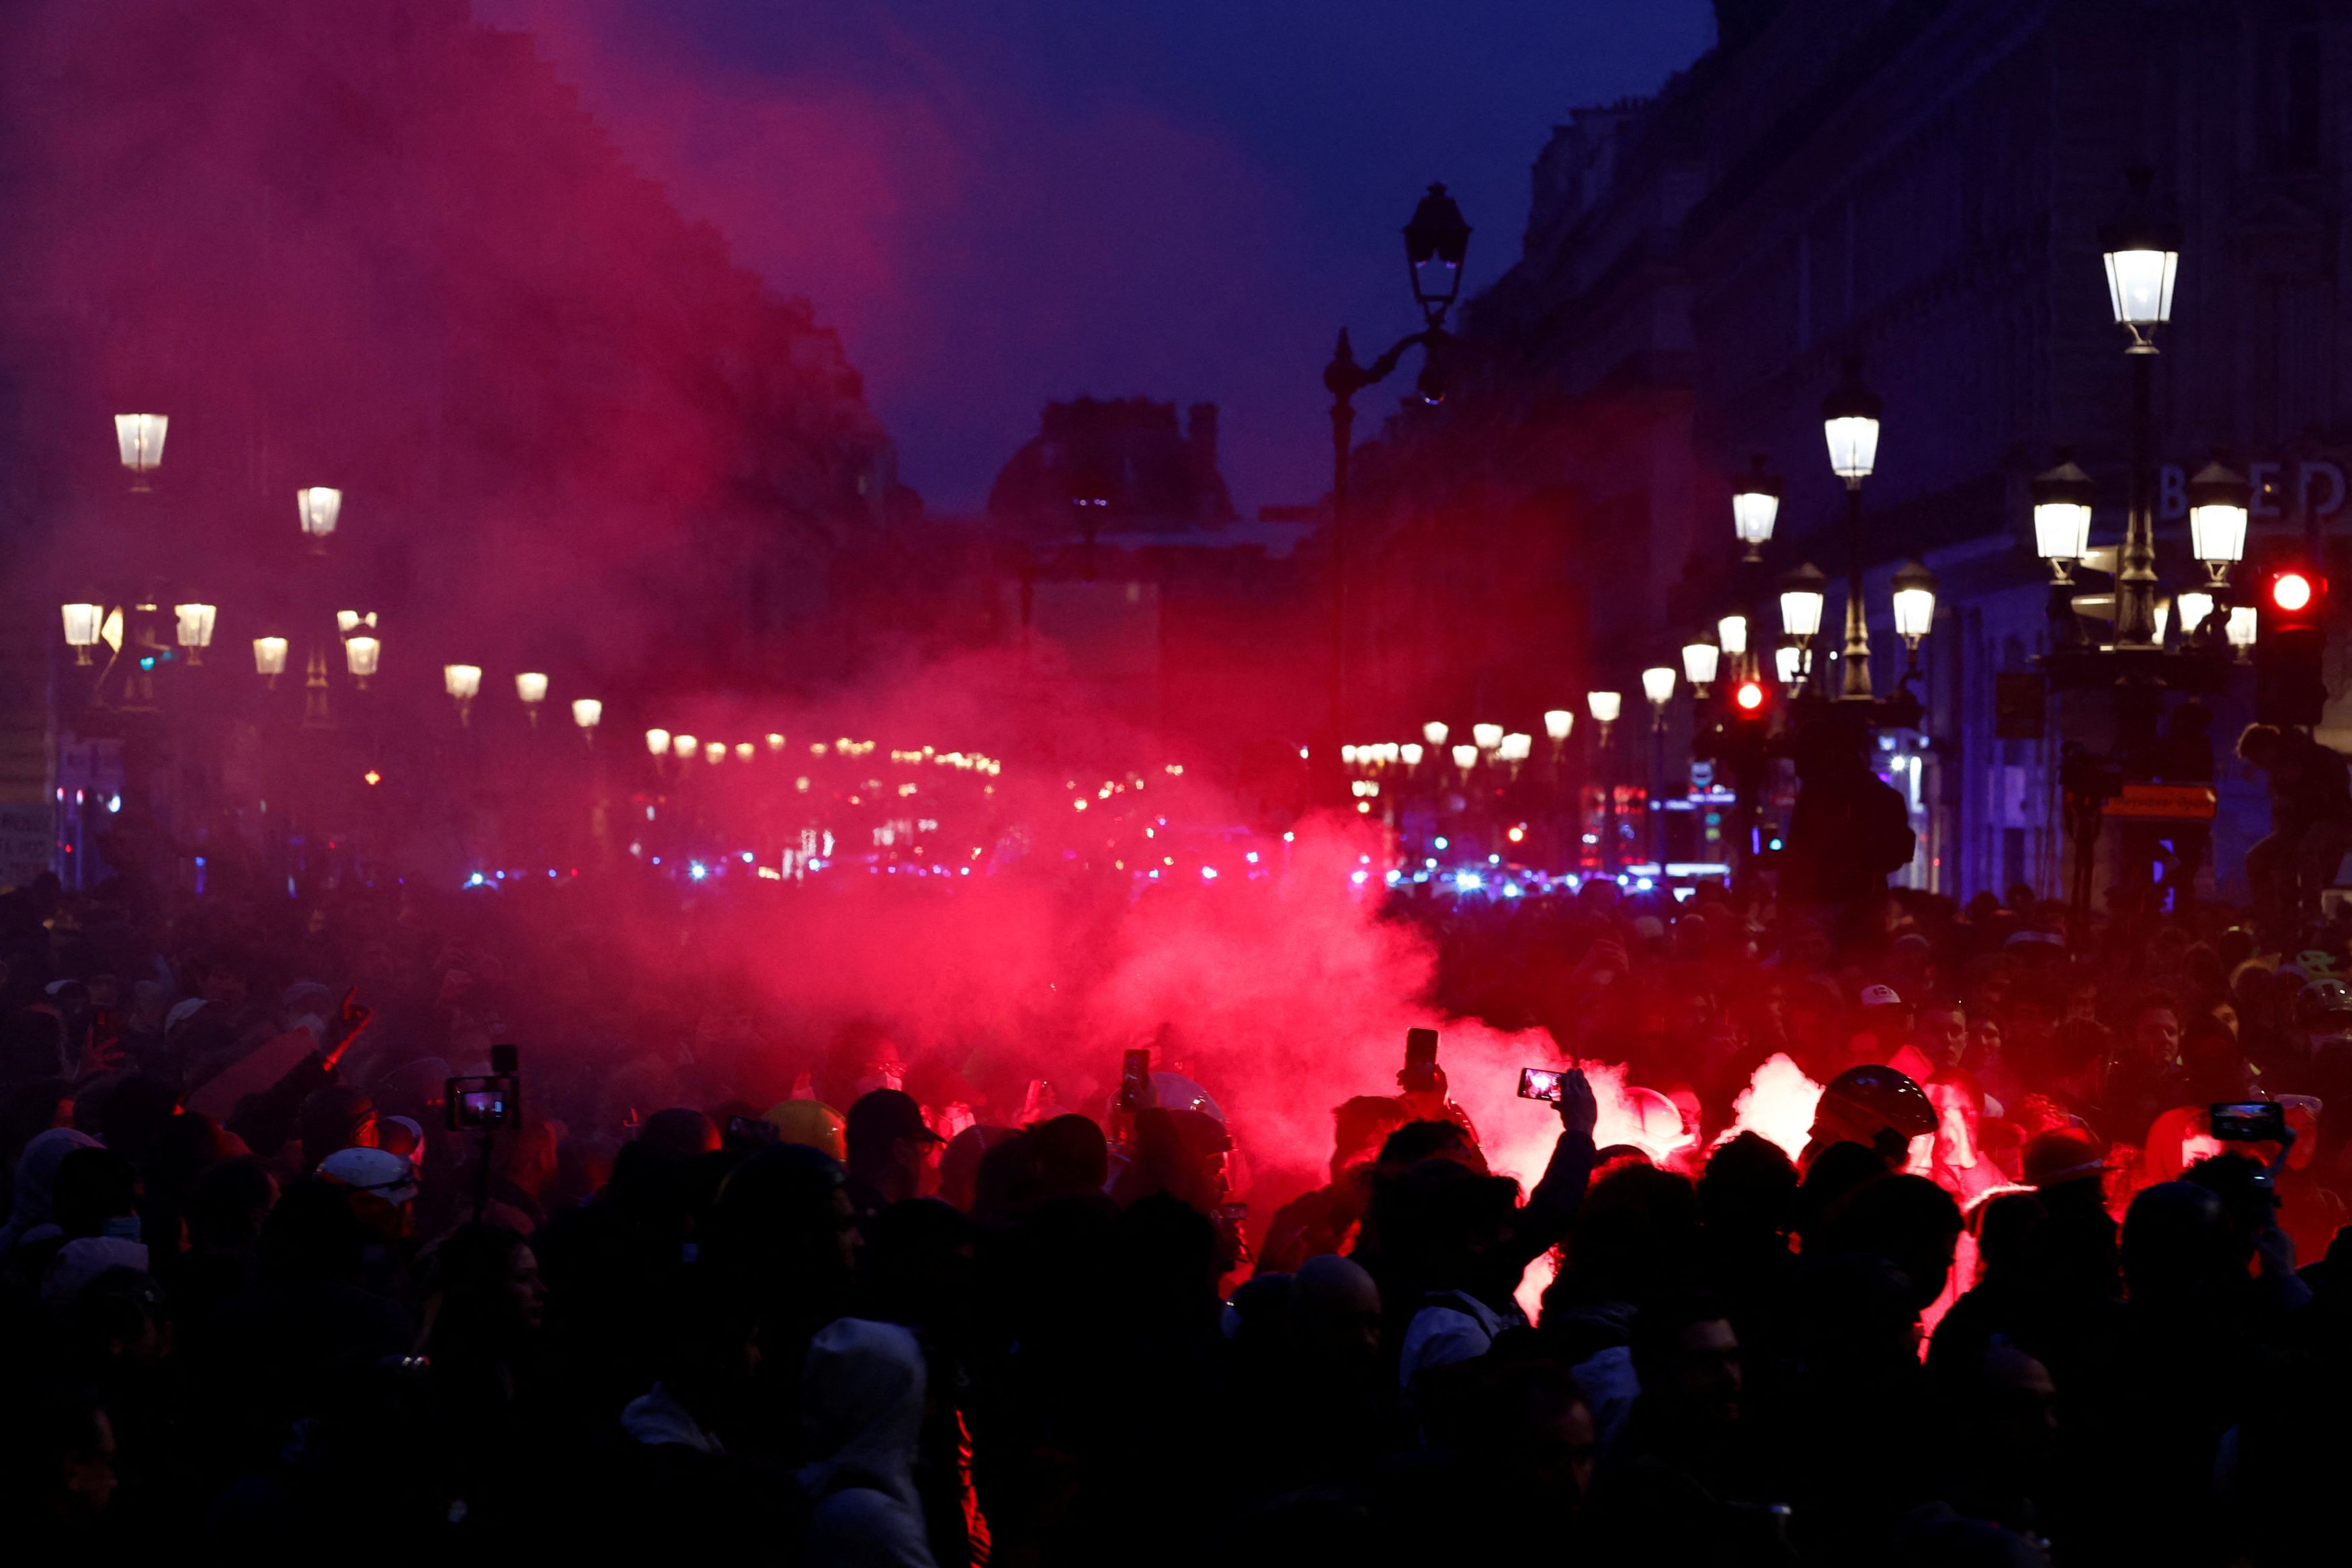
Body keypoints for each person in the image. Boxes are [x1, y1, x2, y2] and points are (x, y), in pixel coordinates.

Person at [2237, 722, 2352, 949]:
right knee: (2255, 859)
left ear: (2268, 748)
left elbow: (2333, 800)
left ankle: (2312, 914)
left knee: (2308, 849)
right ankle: (2272, 920)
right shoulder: (2283, 770)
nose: (2262, 767)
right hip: (2303, 828)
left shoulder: (2314, 759)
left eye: (2259, 760)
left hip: (2336, 821)